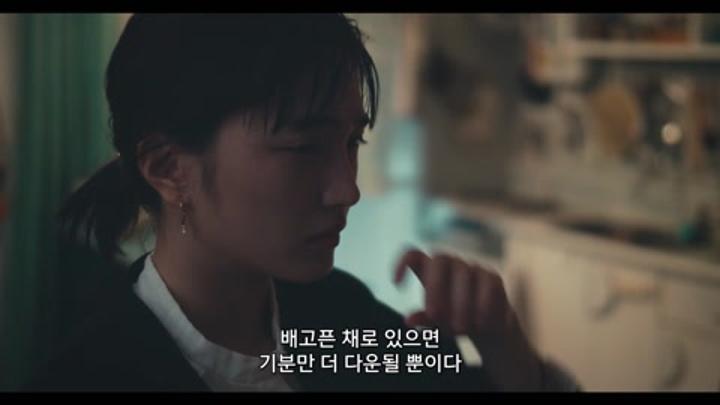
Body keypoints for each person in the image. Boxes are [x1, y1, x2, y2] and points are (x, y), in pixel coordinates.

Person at [30, 13, 578, 392]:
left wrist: (503, 342)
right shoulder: (96, 375)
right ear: (169, 169)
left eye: (351, 142)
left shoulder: (338, 320)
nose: (347, 190)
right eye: (302, 148)